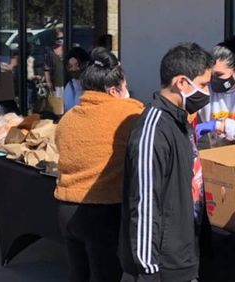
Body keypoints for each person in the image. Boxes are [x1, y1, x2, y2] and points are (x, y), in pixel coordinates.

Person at [119, 42, 213, 282]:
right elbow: (144, 202)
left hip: (185, 253)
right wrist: (148, 269)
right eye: (203, 84)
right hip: (163, 265)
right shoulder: (153, 129)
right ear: (182, 82)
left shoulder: (181, 121)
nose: (207, 92)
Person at [54, 47, 144, 282]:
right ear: (115, 88)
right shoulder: (130, 112)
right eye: (125, 86)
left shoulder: (69, 118)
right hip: (103, 209)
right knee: (105, 275)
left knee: (78, 273)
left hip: (66, 207)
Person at [63, 47, 90, 112]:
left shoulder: (91, 85)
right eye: (70, 66)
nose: (74, 69)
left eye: (77, 65)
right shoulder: (69, 86)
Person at [44, 27, 65, 97]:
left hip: (67, 84)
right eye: (58, 38)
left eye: (62, 38)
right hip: (56, 85)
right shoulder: (50, 52)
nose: (60, 40)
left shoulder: (69, 49)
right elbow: (47, 69)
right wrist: (48, 83)